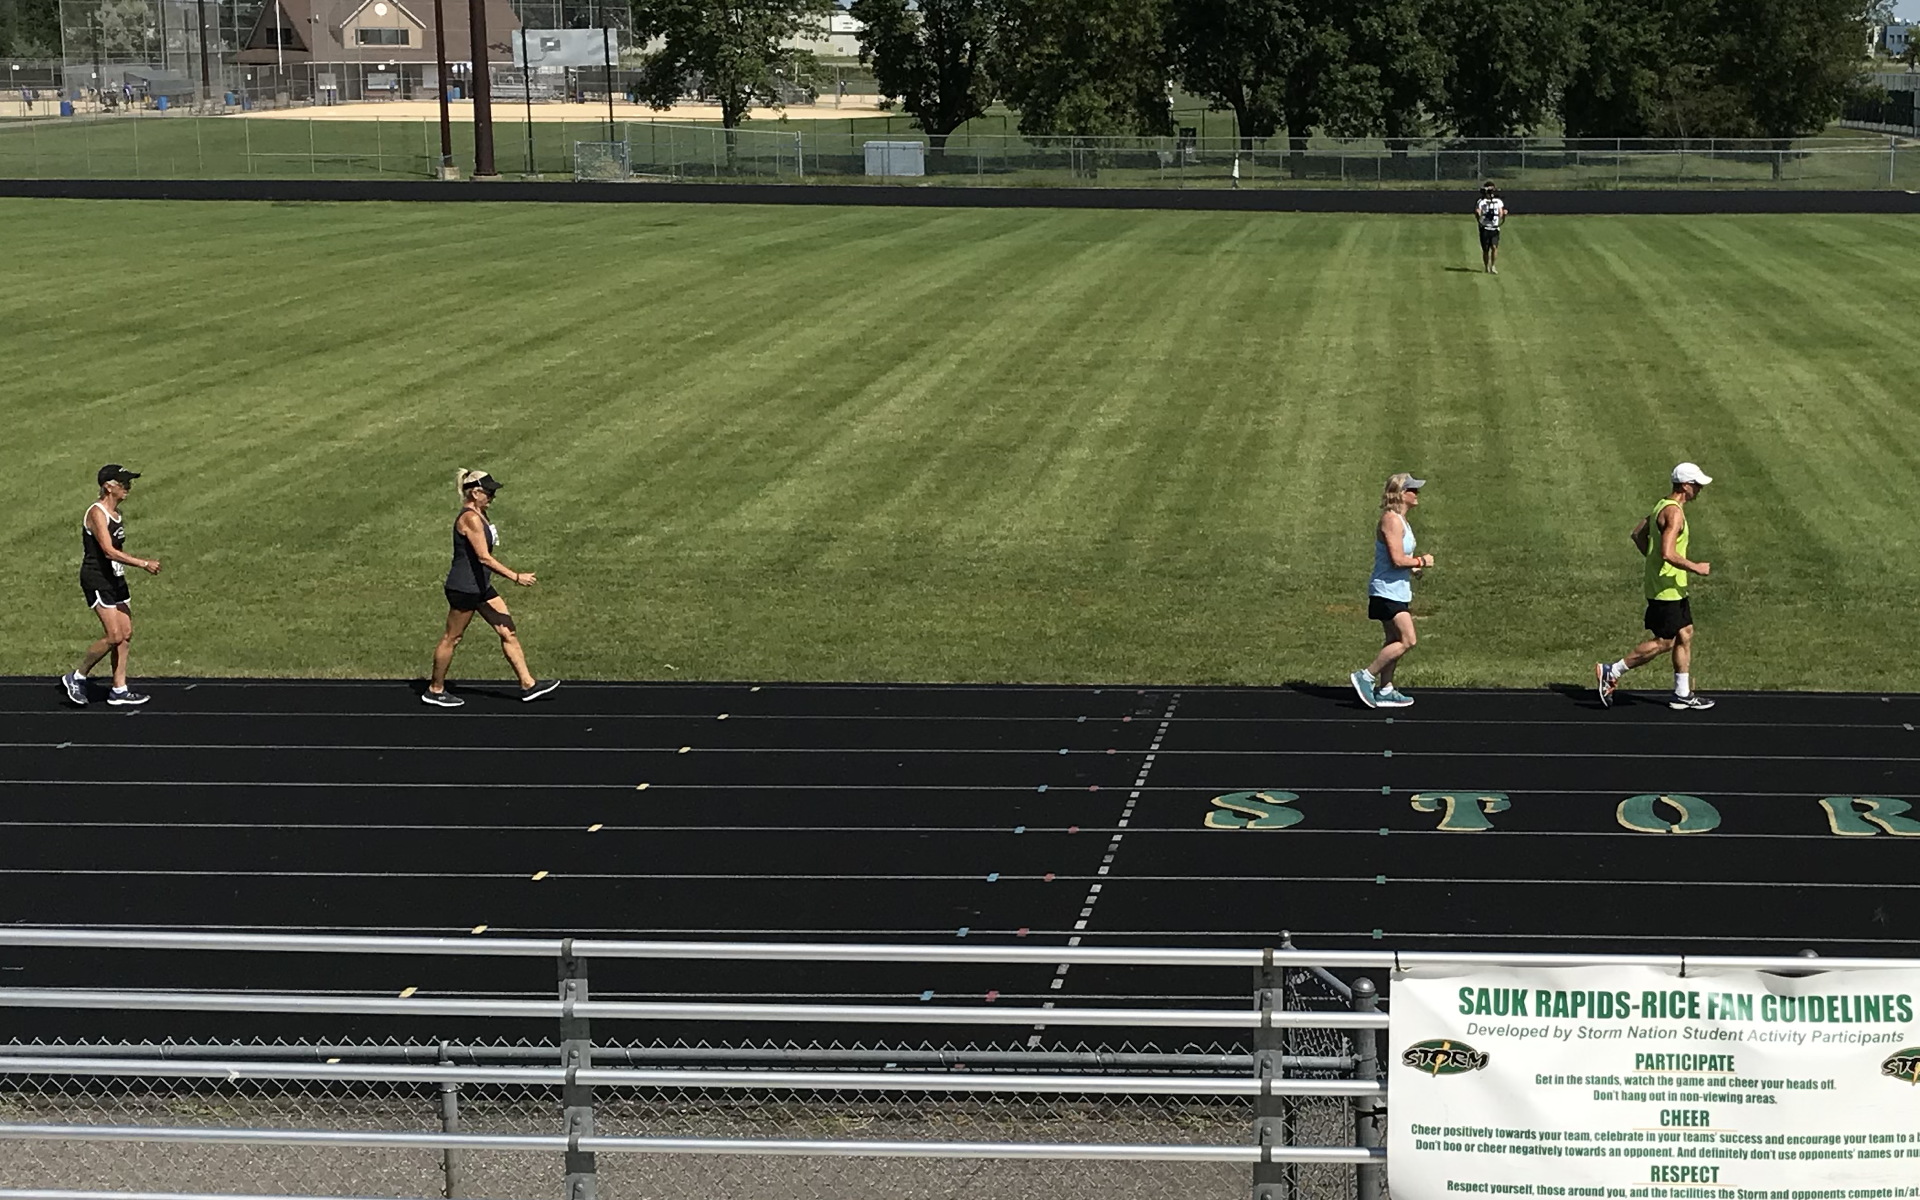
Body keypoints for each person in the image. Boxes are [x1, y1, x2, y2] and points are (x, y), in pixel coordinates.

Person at [423, 469, 559, 708]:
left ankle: (528, 684)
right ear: (475, 493)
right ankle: (435, 689)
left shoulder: (480, 513)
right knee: (452, 638)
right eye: (489, 493)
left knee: (508, 631)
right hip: (465, 588)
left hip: (481, 586)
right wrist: (516, 577)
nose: (492, 497)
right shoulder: (470, 519)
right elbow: (484, 558)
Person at [1596, 463, 1716, 711]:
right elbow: (1668, 553)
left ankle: (1682, 694)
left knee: (1686, 632)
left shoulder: (1662, 505)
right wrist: (1696, 567)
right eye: (1696, 485)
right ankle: (1612, 671)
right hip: (1666, 589)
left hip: (1671, 585)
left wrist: (1650, 561)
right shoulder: (1674, 513)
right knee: (1665, 641)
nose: (1700, 489)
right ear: (1685, 485)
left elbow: (1638, 534)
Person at [60, 465, 161, 707]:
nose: (127, 487)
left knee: (125, 634)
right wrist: (143, 563)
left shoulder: (117, 514)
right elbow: (107, 551)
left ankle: (119, 689)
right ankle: (77, 676)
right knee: (114, 635)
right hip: (97, 578)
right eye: (122, 482)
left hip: (115, 578)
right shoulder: (97, 513)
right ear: (108, 486)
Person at [1351, 473, 1434, 710]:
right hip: (1386, 591)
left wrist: (1414, 568)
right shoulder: (1391, 520)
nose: (1417, 494)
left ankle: (1386, 688)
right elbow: (1397, 559)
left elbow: (1399, 558)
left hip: (1397, 591)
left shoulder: (1401, 520)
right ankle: (1365, 676)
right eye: (1413, 490)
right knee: (1408, 640)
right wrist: (1420, 561)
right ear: (1400, 493)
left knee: (1393, 640)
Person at [1475, 182, 1507, 274]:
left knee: (1494, 247)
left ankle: (1493, 266)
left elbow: (1500, 213)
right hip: (1485, 228)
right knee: (1485, 249)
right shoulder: (1481, 202)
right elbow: (1478, 212)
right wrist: (1478, 215)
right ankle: (1486, 266)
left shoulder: (1498, 202)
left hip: (1494, 228)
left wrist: (1503, 214)